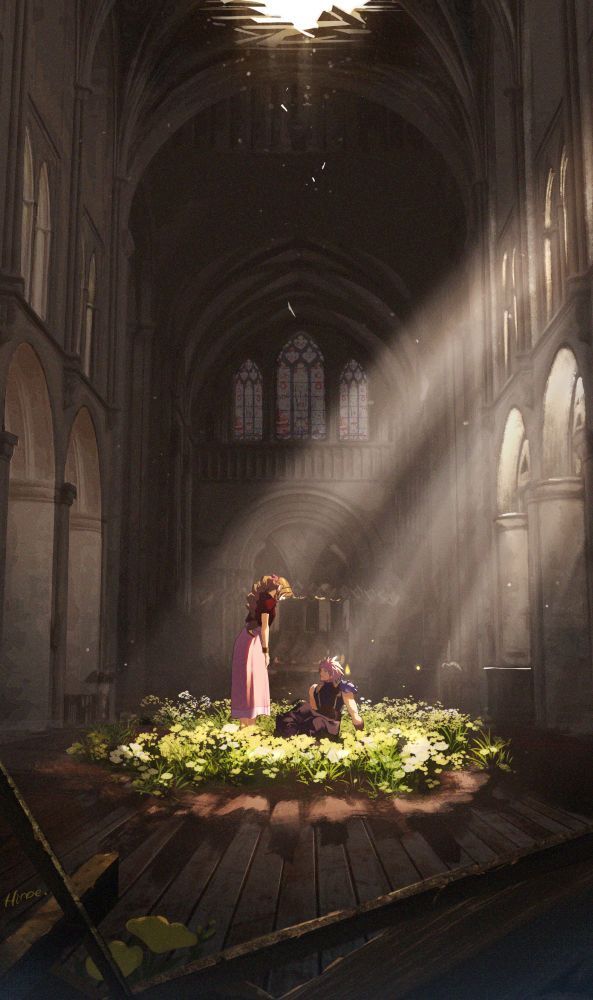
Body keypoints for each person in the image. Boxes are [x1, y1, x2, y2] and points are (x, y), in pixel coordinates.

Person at [231, 574, 293, 728]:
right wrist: (266, 652)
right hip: (250, 642)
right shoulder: (268, 602)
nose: (283, 598)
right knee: (249, 680)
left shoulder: (267, 600)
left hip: (249, 640)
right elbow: (265, 628)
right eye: (283, 594)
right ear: (278, 589)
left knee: (252, 681)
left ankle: (248, 723)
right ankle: (246, 724)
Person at [275, 656, 364, 740]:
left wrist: (361, 735)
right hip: (317, 719)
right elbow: (314, 709)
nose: (321, 673)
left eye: (325, 671)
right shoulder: (314, 688)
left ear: (333, 672)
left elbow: (354, 714)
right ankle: (288, 735)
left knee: (315, 721)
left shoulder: (344, 688)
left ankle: (297, 737)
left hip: (330, 725)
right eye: (321, 670)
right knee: (302, 707)